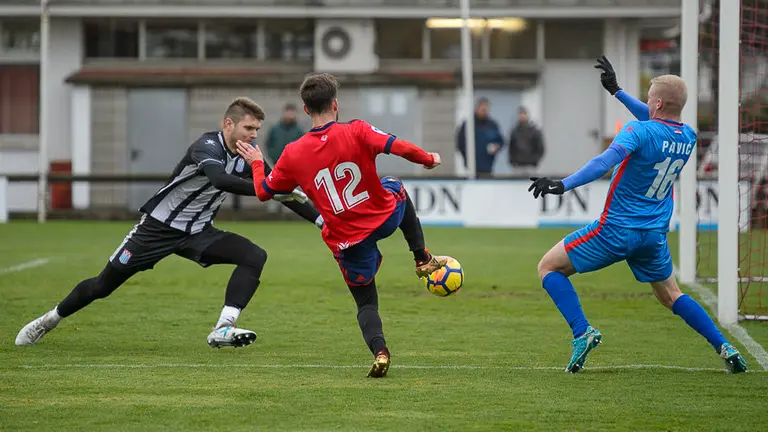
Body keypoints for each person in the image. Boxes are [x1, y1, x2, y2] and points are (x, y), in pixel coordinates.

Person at [15, 97, 324, 349]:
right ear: (228, 124)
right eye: (248, 127)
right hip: (157, 229)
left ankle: (223, 327)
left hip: (198, 232)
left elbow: (281, 193)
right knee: (102, 286)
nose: (254, 135)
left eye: (257, 129)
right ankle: (50, 319)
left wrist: (321, 221)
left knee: (254, 256)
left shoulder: (249, 156)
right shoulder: (208, 146)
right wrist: (264, 184)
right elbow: (221, 179)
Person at [527, 56, 748, 374]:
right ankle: (724, 346)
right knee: (672, 295)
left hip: (615, 230)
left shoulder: (637, 132)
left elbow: (604, 163)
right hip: (653, 235)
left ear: (656, 102)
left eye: (648, 99)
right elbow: (658, 120)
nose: (646, 104)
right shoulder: (688, 137)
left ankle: (583, 332)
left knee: (548, 267)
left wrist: (563, 184)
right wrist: (617, 91)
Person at [236, 73, 448, 378]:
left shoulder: (292, 153)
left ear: (306, 110)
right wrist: (427, 158)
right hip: (383, 218)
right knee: (396, 187)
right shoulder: (357, 130)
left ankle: (381, 351)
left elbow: (263, 192)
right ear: (335, 104)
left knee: (366, 302)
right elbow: (397, 146)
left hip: (347, 239)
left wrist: (257, 161)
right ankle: (421, 258)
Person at [456, 98, 504, 177]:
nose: (484, 110)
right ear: (477, 108)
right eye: (482, 108)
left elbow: (500, 141)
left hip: (487, 166)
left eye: (486, 108)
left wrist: (496, 147)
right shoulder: (468, 124)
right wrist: (466, 158)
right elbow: (460, 143)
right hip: (471, 166)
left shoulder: (492, 125)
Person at [508, 106, 545, 175]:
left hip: (530, 166)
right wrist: (512, 161)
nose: (522, 116)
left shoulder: (534, 131)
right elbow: (511, 147)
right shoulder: (515, 131)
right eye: (520, 114)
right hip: (518, 166)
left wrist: (534, 160)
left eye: (523, 114)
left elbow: (540, 148)